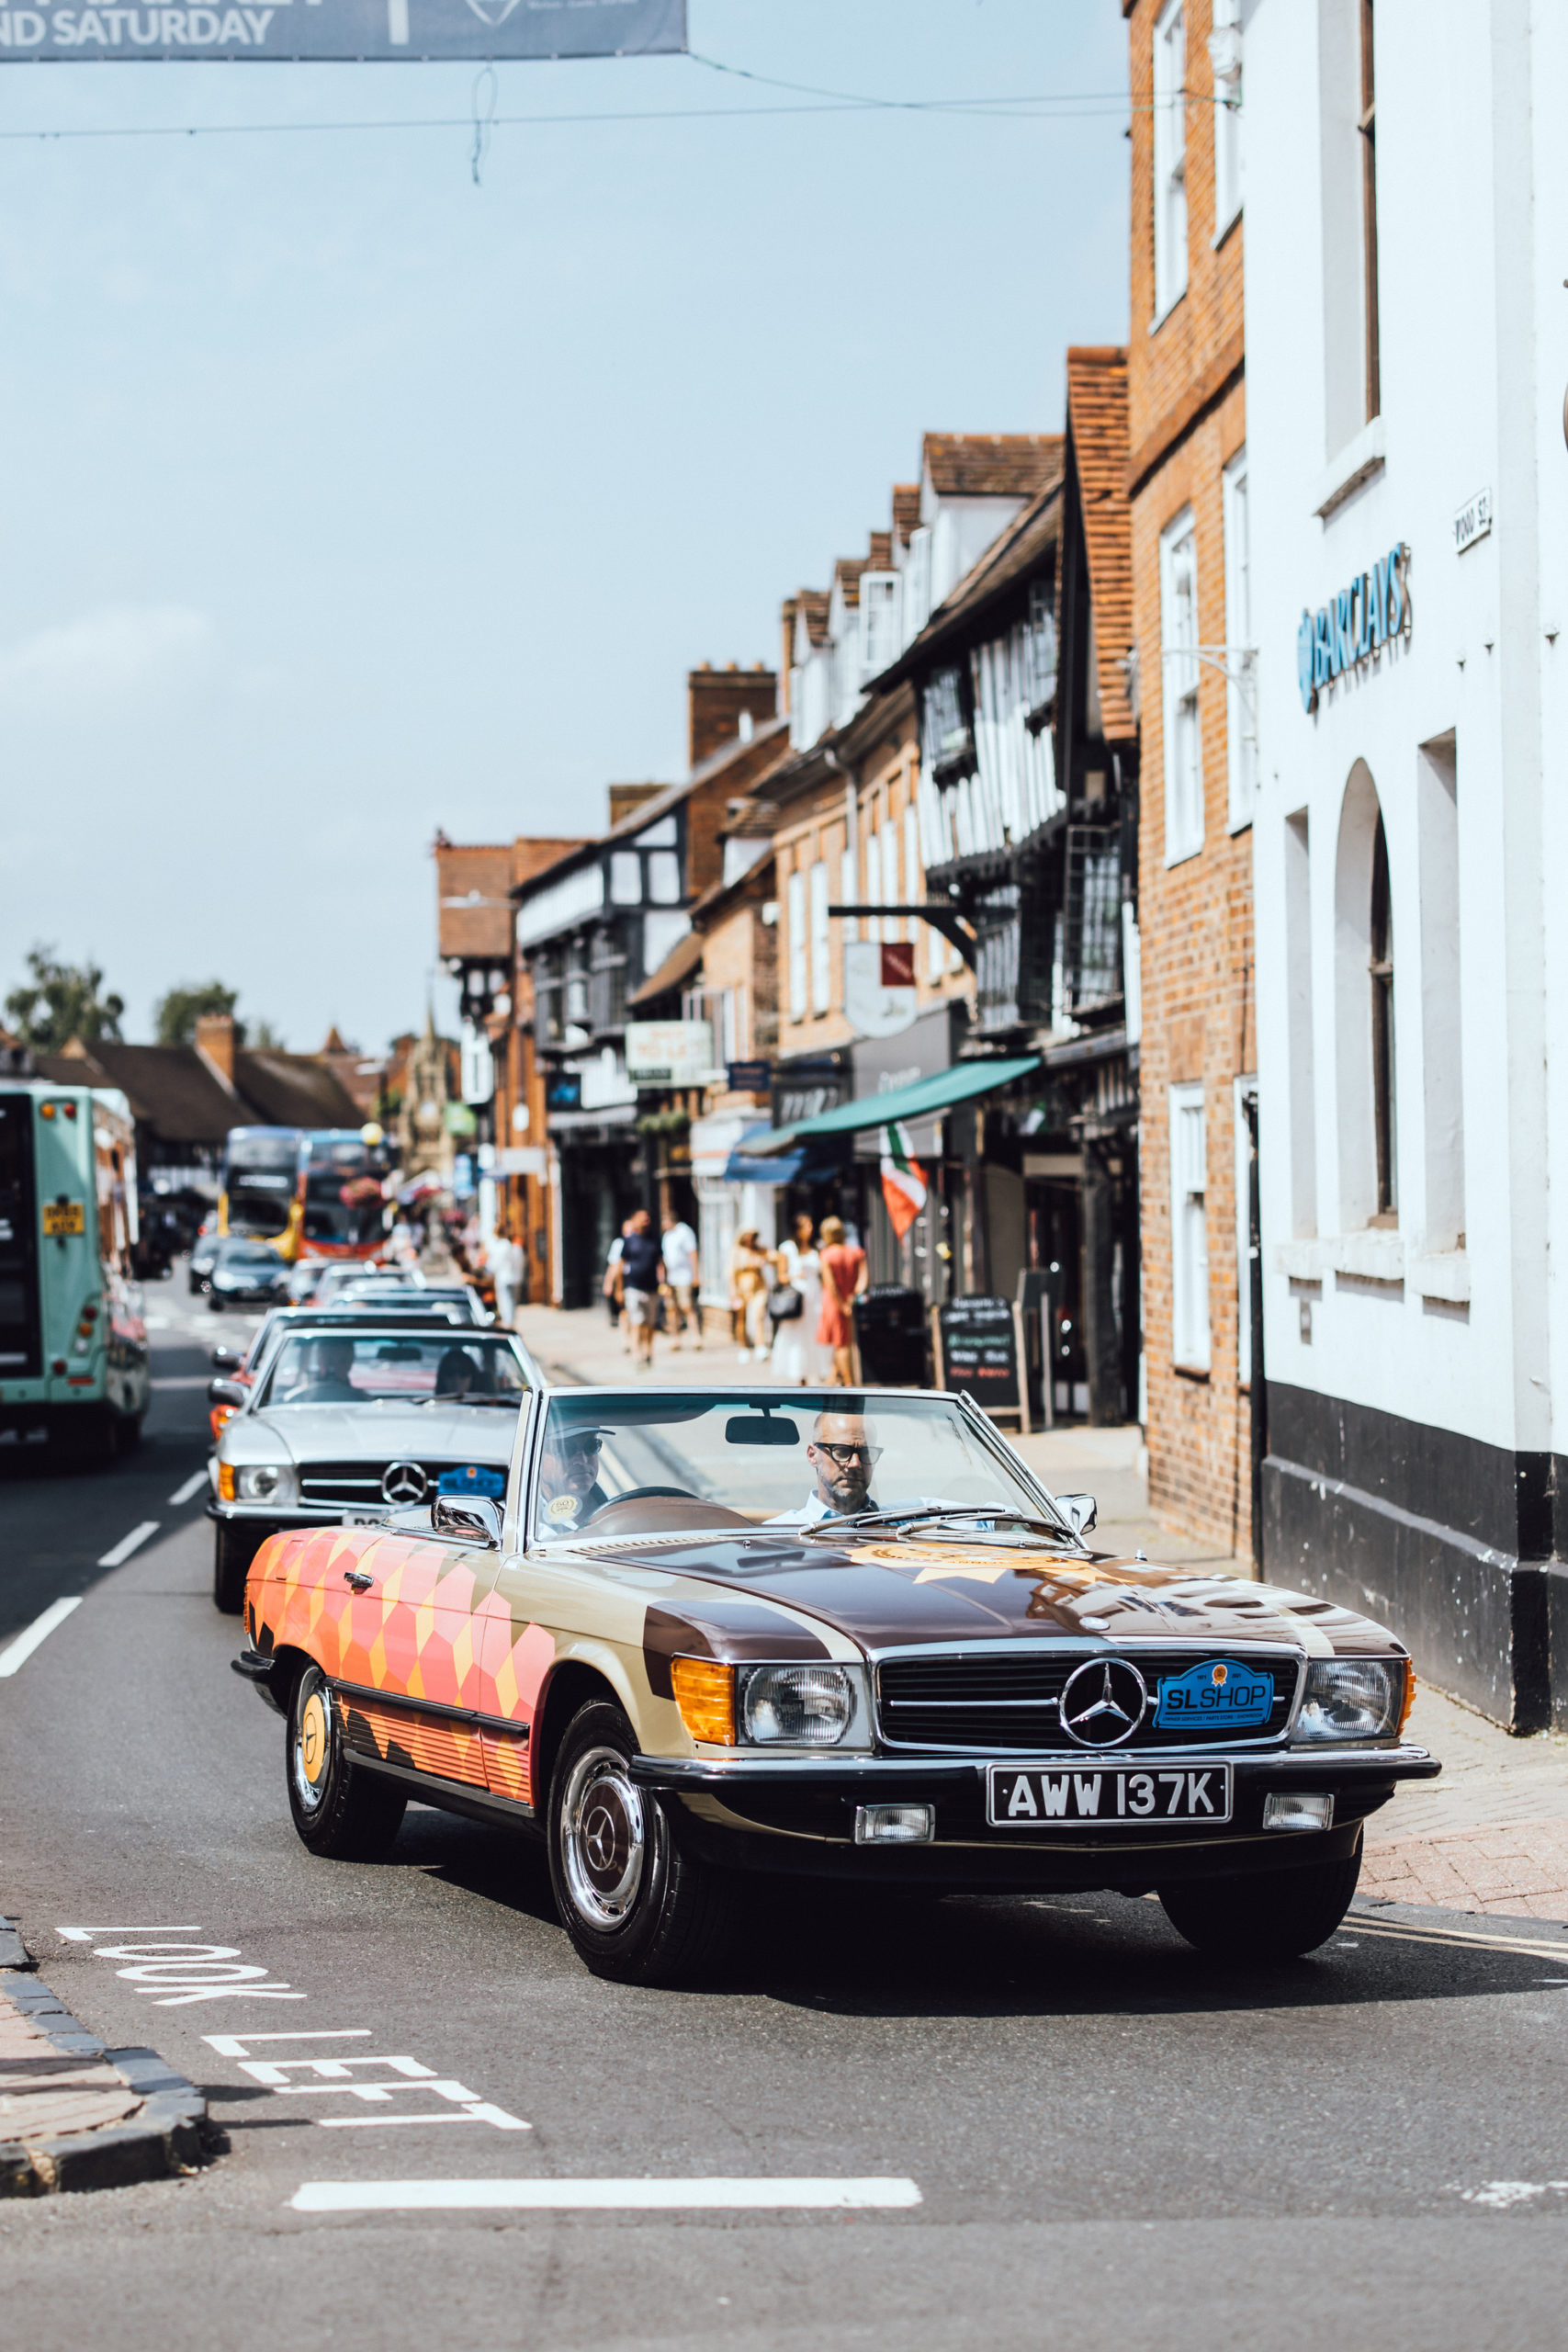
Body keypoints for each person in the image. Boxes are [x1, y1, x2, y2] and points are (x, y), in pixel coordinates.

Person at [767, 1408, 883, 1525]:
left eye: (866, 1453)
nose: (855, 1464)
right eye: (842, 1451)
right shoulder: (776, 1534)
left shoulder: (897, 1527)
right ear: (812, 1455)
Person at [770, 1213, 828, 1386]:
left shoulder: (817, 1247)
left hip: (815, 1296)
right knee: (797, 1336)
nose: (810, 1229)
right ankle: (799, 1374)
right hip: (796, 1297)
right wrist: (796, 1276)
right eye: (806, 1226)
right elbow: (781, 1276)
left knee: (815, 1332)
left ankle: (817, 1371)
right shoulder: (787, 1248)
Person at [816, 1216, 867, 1386]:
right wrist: (853, 1297)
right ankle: (835, 1378)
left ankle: (848, 1382)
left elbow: (830, 1284)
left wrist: (842, 1304)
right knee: (846, 1341)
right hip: (851, 1302)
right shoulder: (856, 1252)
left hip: (834, 1303)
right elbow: (863, 1279)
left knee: (841, 1344)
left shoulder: (826, 1255)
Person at [536, 1421, 610, 1534]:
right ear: (536, 1457)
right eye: (565, 1449)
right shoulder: (514, 1525)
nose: (582, 1460)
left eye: (591, 1446)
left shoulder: (626, 1512)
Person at [619, 1208, 663, 1369]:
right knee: (637, 1322)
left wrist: (665, 1282)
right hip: (633, 1287)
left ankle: (648, 1351)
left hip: (652, 1287)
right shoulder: (629, 1241)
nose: (646, 1221)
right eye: (642, 1218)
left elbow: (661, 1262)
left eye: (648, 1218)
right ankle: (637, 1354)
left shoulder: (655, 1240)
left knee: (650, 1323)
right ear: (635, 1220)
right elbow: (620, 1265)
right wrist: (619, 1288)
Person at [728, 1227, 773, 1361]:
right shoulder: (736, 1251)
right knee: (741, 1319)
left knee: (758, 1316)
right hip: (742, 1289)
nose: (750, 1239)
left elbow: (774, 1258)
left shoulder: (759, 1250)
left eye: (753, 1236)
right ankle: (744, 1347)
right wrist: (733, 1292)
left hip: (759, 1288)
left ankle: (760, 1346)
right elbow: (731, 1273)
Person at [661, 1212, 701, 1348]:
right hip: (670, 1278)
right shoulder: (667, 1236)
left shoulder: (684, 1232)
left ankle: (696, 1337)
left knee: (687, 1306)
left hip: (684, 1277)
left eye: (664, 1221)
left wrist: (696, 1275)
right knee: (671, 1309)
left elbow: (692, 1253)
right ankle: (675, 1339)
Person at [284, 1335, 359, 1404]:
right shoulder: (296, 1399)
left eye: (341, 1361)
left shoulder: (363, 1401)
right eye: (329, 1361)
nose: (332, 1367)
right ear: (319, 1360)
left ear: (350, 1361)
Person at [491, 1229, 523, 1328]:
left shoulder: (503, 1246)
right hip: (514, 1277)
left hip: (505, 1277)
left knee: (506, 1299)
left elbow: (496, 1263)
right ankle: (510, 1320)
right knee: (511, 1301)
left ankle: (508, 1321)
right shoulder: (515, 1248)